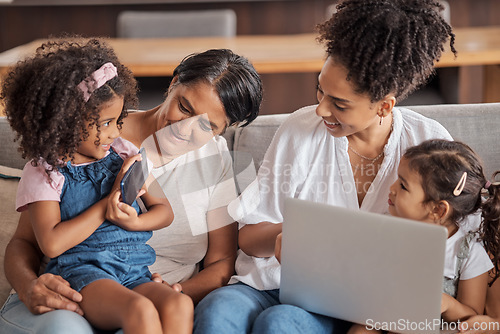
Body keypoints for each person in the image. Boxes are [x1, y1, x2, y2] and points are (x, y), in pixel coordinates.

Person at [193, 0, 458, 333]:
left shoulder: (428, 144)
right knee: (218, 311)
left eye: (340, 104)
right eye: (320, 91)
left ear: (384, 105)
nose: (320, 110)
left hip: (361, 304)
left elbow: (443, 251)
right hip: (269, 286)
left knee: (280, 323)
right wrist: (285, 235)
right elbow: (247, 237)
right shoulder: (299, 130)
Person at [0, 47, 262, 333]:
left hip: (148, 294)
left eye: (207, 126)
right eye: (184, 107)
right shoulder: (89, 134)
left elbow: (223, 262)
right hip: (71, 290)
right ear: (174, 83)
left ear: (223, 129)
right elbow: (24, 243)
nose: (185, 129)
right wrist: (29, 288)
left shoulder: (216, 159)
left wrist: (176, 291)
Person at [349, 139, 500, 333]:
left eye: (403, 186)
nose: (392, 188)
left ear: (437, 209)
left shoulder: (468, 252)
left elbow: (471, 316)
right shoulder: (386, 229)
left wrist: (446, 304)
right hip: (385, 318)